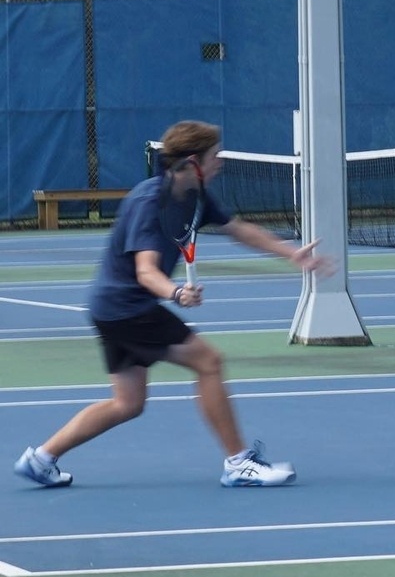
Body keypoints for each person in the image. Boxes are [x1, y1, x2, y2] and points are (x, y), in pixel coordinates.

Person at [13, 120, 333, 488]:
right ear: (194, 161)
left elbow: (237, 229)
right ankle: (239, 464)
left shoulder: (195, 196)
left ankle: (41, 459)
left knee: (127, 403)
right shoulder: (151, 203)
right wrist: (177, 293)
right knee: (209, 362)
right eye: (216, 156)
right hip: (127, 308)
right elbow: (146, 271)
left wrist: (290, 254)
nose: (221, 162)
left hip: (112, 309)